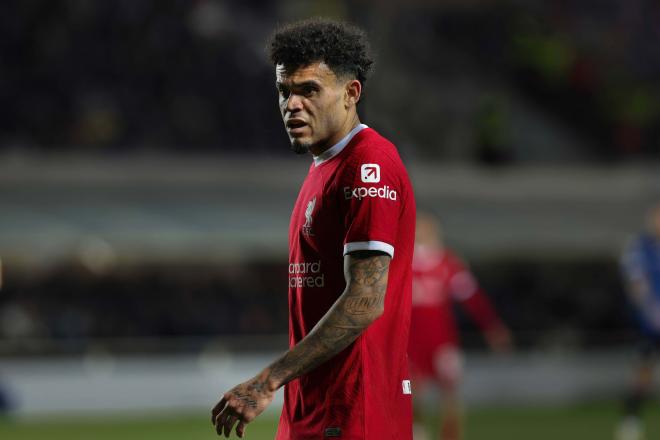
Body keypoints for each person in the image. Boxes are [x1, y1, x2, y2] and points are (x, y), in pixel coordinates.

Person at [211, 18, 416, 439]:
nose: (292, 105)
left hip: (353, 409)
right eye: (284, 91)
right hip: (313, 404)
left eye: (309, 90)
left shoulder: (367, 166)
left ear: (351, 93)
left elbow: (365, 299)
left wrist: (267, 380)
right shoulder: (324, 167)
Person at [409, 213, 511, 440]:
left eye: (426, 228)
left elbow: (473, 299)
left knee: (450, 393)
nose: (421, 232)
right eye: (418, 228)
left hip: (442, 340)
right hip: (410, 341)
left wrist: (492, 327)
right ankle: (417, 432)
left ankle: (450, 436)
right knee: (411, 391)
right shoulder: (403, 262)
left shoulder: (448, 263)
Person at [616, 203, 660, 440]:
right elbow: (636, 285)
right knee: (642, 374)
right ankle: (630, 422)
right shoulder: (638, 247)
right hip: (650, 325)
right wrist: (653, 313)